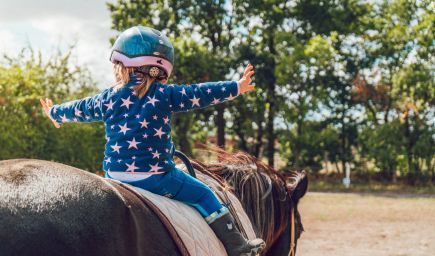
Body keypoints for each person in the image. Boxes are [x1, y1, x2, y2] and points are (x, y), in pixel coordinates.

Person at [40, 25, 265, 256]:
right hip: (156, 177)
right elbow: (200, 93)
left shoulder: (107, 98)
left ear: (121, 66)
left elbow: (80, 107)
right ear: (161, 69)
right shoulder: (165, 95)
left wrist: (56, 113)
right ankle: (238, 247)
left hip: (115, 176)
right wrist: (236, 87)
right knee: (204, 194)